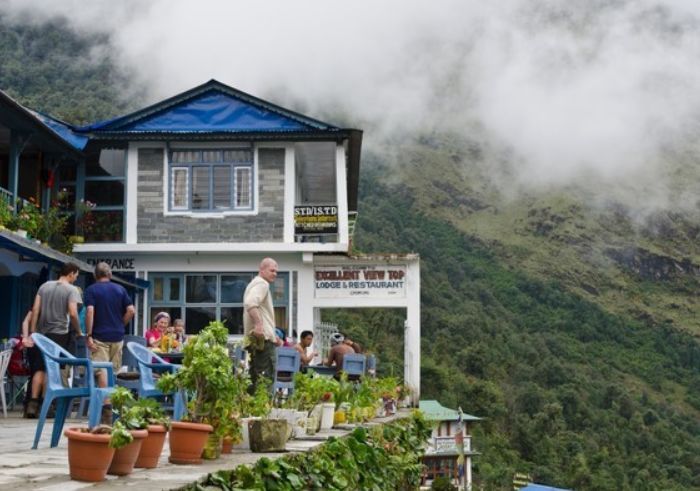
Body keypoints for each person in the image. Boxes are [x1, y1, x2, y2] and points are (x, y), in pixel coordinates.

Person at [25, 262, 82, 418]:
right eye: (76, 275)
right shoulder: (71, 290)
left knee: (39, 369)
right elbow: (73, 313)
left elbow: (36, 309)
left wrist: (33, 331)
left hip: (41, 334)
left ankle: (32, 404)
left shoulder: (44, 286)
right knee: (52, 369)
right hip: (60, 334)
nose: (76, 278)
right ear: (71, 273)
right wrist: (78, 330)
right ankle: (46, 405)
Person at [84, 262, 135, 390]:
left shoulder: (91, 290)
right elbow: (131, 311)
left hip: (99, 337)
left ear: (95, 275)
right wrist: (120, 324)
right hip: (117, 336)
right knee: (113, 371)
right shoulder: (120, 289)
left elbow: (90, 311)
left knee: (102, 370)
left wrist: (89, 335)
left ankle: (106, 405)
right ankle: (111, 402)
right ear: (110, 274)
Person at [243, 257, 283, 393]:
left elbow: (259, 310)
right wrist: (259, 326)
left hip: (258, 340)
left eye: (277, 271)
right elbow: (250, 303)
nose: (275, 274)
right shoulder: (262, 284)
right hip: (263, 341)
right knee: (266, 380)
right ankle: (264, 412)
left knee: (255, 379)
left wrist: (273, 336)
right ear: (262, 270)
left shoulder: (254, 284)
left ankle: (252, 411)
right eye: (272, 270)